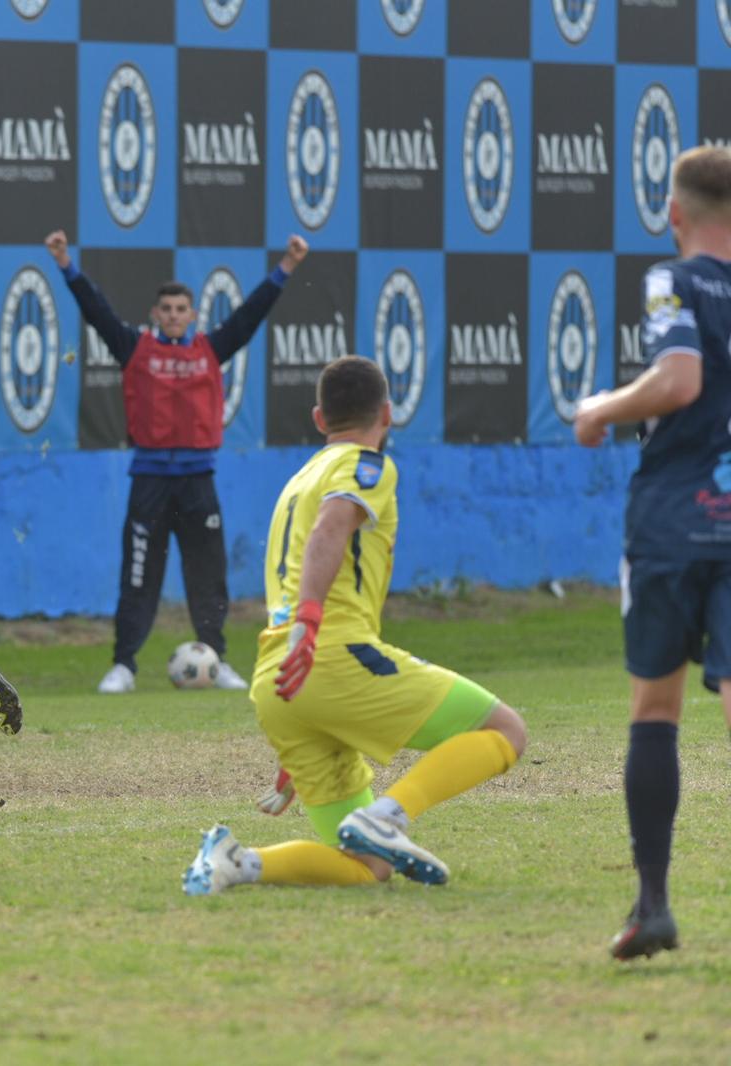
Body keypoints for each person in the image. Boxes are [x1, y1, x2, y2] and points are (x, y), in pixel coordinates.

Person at [183, 356, 527, 896]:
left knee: (368, 867)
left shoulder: (298, 480)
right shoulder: (366, 465)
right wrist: (311, 620)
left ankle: (237, 862)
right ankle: (388, 815)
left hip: (280, 681)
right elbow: (331, 527)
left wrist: (310, 712)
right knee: (505, 731)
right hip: (328, 653)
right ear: (387, 414)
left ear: (319, 419)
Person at [572, 145, 731, 960]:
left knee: (656, 712)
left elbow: (678, 379)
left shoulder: (674, 280)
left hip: (675, 517)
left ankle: (654, 906)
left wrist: (601, 406)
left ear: (674, 214)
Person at [43, 230, 308, 694]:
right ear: (155, 314)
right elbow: (97, 311)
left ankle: (215, 657)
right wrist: (66, 263)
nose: (172, 315)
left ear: (193, 315)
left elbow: (249, 316)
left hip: (198, 479)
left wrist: (286, 265)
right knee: (138, 575)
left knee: (208, 576)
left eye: (181, 309)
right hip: (149, 480)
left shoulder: (211, 349)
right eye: (165, 308)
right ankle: (123, 666)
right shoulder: (134, 348)